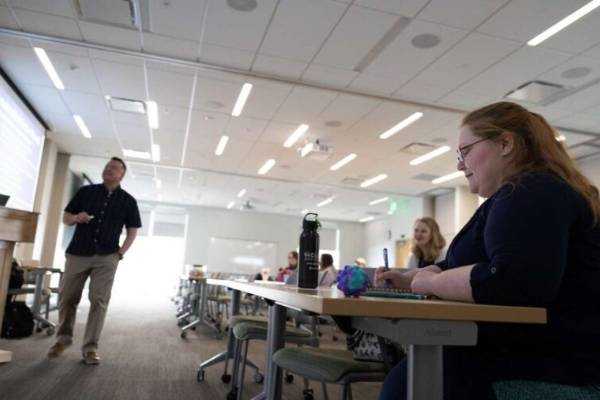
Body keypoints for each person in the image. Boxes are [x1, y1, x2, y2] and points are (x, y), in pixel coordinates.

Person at [377, 102, 600, 399]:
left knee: (412, 383)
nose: (459, 164)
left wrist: (432, 283)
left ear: (505, 143)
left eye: (465, 151)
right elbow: (475, 263)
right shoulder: (523, 194)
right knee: (414, 375)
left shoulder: (530, 193)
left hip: (559, 369)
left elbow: (509, 281)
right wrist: (416, 277)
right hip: (538, 357)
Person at [48, 157, 141, 365]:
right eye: (107, 167)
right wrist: (76, 218)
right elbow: (66, 217)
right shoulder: (86, 192)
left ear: (121, 175)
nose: (108, 169)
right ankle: (63, 339)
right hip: (78, 253)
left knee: (99, 301)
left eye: (114, 168)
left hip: (107, 257)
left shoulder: (128, 201)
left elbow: (132, 231)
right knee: (67, 297)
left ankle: (90, 348)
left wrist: (120, 254)